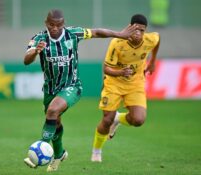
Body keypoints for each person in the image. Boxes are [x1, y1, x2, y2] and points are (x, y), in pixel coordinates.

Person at [23, 9, 138, 172]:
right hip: (50, 89)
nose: (55, 28)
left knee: (52, 111)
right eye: (51, 24)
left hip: (72, 86)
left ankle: (41, 147)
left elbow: (97, 32)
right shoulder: (38, 39)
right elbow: (26, 60)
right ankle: (59, 154)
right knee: (55, 122)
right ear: (46, 23)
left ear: (64, 24)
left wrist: (120, 34)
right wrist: (35, 51)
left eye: (58, 25)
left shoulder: (73, 34)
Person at [91, 14, 160, 162]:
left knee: (138, 120)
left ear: (145, 30)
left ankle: (119, 119)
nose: (138, 33)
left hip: (135, 83)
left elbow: (158, 39)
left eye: (142, 30)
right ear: (130, 27)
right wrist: (121, 72)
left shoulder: (150, 39)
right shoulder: (117, 42)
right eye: (135, 29)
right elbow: (106, 68)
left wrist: (153, 61)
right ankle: (97, 151)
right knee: (107, 119)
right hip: (114, 83)